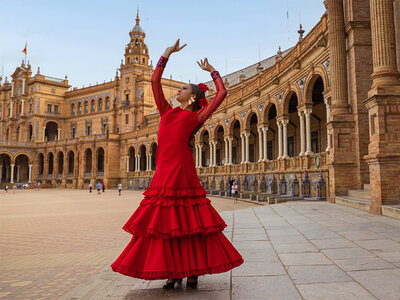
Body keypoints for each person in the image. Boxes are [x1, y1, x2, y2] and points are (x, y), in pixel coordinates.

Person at [111, 39, 243, 289]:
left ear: (192, 97)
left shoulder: (196, 116)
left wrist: (213, 72)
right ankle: (175, 271)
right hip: (162, 170)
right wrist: (166, 54)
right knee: (168, 225)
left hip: (182, 169)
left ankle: (190, 271)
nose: (178, 90)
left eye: (183, 88)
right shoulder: (166, 112)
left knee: (188, 223)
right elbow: (154, 82)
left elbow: (222, 94)